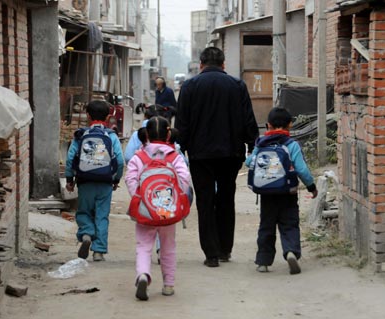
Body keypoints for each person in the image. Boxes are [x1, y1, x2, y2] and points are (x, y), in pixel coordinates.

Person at [175, 47, 259, 267]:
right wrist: (253, 145)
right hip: (231, 153)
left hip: (200, 154)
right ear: (223, 64)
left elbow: (182, 123)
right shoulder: (237, 86)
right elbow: (248, 119)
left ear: (201, 64)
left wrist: (178, 150)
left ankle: (211, 254)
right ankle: (225, 249)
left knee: (205, 201)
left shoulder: (189, 87)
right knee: (225, 198)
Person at [245, 107, 318, 274]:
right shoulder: (292, 144)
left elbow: (249, 163)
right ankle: (291, 251)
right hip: (288, 193)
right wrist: (311, 187)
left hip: (266, 193)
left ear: (268, 125)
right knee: (290, 224)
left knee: (266, 226)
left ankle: (263, 262)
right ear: (290, 125)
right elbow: (301, 169)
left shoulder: (261, 143)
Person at [125, 116, 191, 301]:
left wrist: (139, 199)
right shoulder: (174, 156)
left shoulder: (139, 157)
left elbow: (130, 179)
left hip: (145, 210)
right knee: (168, 246)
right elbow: (184, 180)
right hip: (168, 210)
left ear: (145, 135)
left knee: (144, 245)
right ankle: (168, 284)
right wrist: (176, 199)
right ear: (168, 134)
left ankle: (143, 275)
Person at [65, 100, 124, 262]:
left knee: (84, 211)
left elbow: (70, 158)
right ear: (108, 116)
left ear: (87, 115)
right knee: (102, 215)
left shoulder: (80, 135)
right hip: (105, 182)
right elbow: (119, 161)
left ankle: (86, 234)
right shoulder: (111, 136)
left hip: (85, 181)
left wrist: (70, 179)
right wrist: (116, 178)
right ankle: (98, 251)